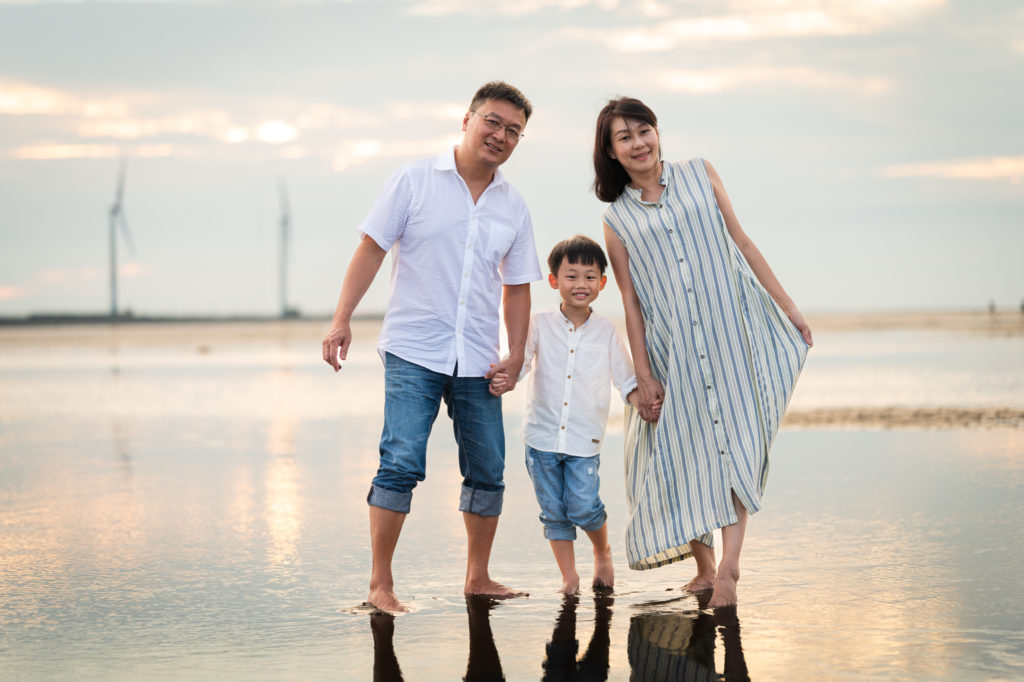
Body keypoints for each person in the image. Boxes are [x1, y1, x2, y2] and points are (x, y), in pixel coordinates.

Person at [321, 81, 542, 614]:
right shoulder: (414, 180)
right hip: (414, 349)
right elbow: (371, 249)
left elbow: (516, 287)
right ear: (467, 119)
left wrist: (516, 354)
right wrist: (341, 319)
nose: (501, 135)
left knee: (488, 468)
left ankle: (478, 578)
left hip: (479, 356)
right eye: (493, 122)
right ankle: (380, 585)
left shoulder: (513, 206)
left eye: (514, 130)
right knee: (400, 461)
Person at [593, 97, 813, 607]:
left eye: (643, 130)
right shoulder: (616, 219)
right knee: (684, 451)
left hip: (732, 335)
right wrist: (643, 372)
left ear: (656, 131)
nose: (638, 143)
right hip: (674, 350)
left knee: (736, 443)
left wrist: (790, 309)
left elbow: (743, 243)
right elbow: (630, 300)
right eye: (624, 137)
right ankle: (705, 568)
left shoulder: (700, 173)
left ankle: (729, 570)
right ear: (612, 152)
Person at [493, 235, 638, 595]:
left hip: (583, 439)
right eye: (571, 276)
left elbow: (626, 378)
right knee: (554, 512)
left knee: (584, 507)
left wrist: (643, 398)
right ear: (554, 280)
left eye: (590, 277)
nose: (580, 284)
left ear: (602, 283)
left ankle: (602, 552)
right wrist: (505, 378)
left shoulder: (606, 330)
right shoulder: (539, 322)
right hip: (540, 437)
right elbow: (521, 362)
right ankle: (569, 577)